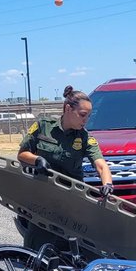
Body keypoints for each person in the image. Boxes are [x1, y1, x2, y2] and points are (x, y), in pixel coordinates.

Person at [16, 85, 113, 251]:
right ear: (68, 109)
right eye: (83, 115)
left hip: (71, 199)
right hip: (43, 196)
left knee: (80, 247)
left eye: (89, 116)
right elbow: (22, 154)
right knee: (37, 246)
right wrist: (37, 159)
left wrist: (108, 184)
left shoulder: (84, 138)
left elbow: (100, 164)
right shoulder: (43, 127)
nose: (86, 120)